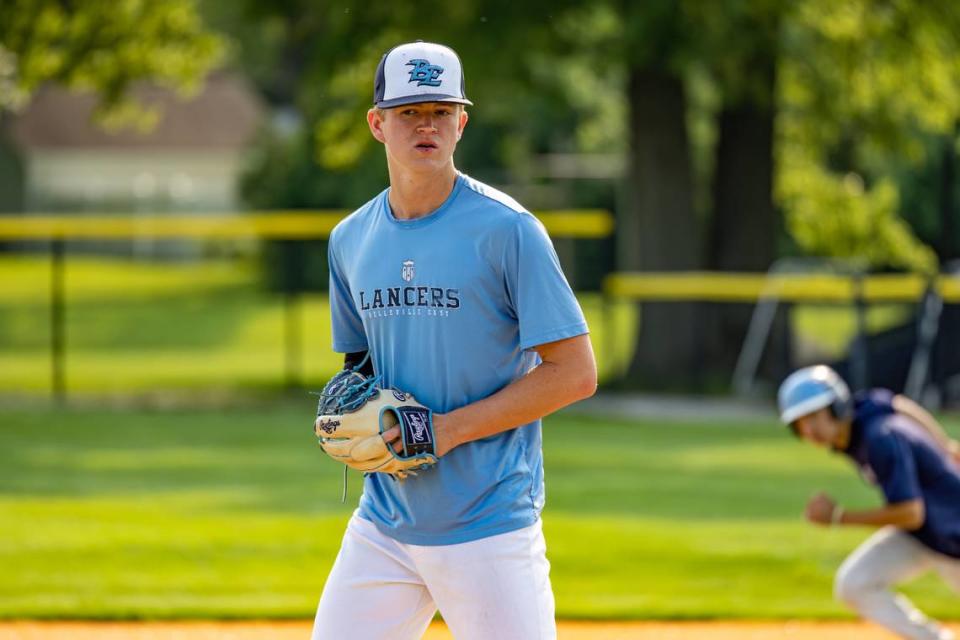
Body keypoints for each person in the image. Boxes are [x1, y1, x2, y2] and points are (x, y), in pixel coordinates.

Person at [312, 40, 597, 640]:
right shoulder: (350, 239)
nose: (427, 125)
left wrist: (443, 430)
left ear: (461, 123)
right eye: (410, 111)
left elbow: (575, 373)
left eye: (441, 111)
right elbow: (359, 364)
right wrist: (349, 408)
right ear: (377, 124)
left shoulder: (509, 230)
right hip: (386, 521)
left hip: (488, 521)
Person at [777, 365, 960, 640]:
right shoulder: (863, 415)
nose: (809, 429)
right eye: (800, 424)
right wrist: (944, 445)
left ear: (837, 408)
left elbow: (911, 513)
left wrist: (838, 517)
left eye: (814, 416)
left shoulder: (879, 438)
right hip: (926, 533)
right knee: (854, 584)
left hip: (952, 537)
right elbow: (898, 403)